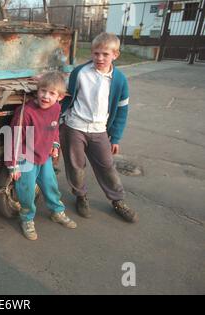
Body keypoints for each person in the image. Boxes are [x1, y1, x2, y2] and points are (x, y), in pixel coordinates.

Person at [60, 32, 138, 223]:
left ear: (115, 55)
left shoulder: (119, 80)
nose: (99, 58)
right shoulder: (80, 72)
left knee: (107, 167)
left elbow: (121, 111)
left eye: (105, 54)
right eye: (96, 53)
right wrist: (58, 122)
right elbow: (67, 99)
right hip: (74, 127)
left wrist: (116, 137)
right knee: (76, 165)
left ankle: (118, 200)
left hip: (99, 131)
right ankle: (80, 196)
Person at [6, 71, 77, 241]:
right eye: (43, 91)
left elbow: (53, 129)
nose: (46, 96)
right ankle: (27, 219)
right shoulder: (26, 112)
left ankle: (57, 212)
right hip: (25, 159)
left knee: (51, 185)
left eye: (52, 93)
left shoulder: (56, 108)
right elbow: (14, 139)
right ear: (37, 91)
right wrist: (13, 164)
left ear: (59, 97)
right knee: (27, 192)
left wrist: (54, 144)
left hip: (43, 156)